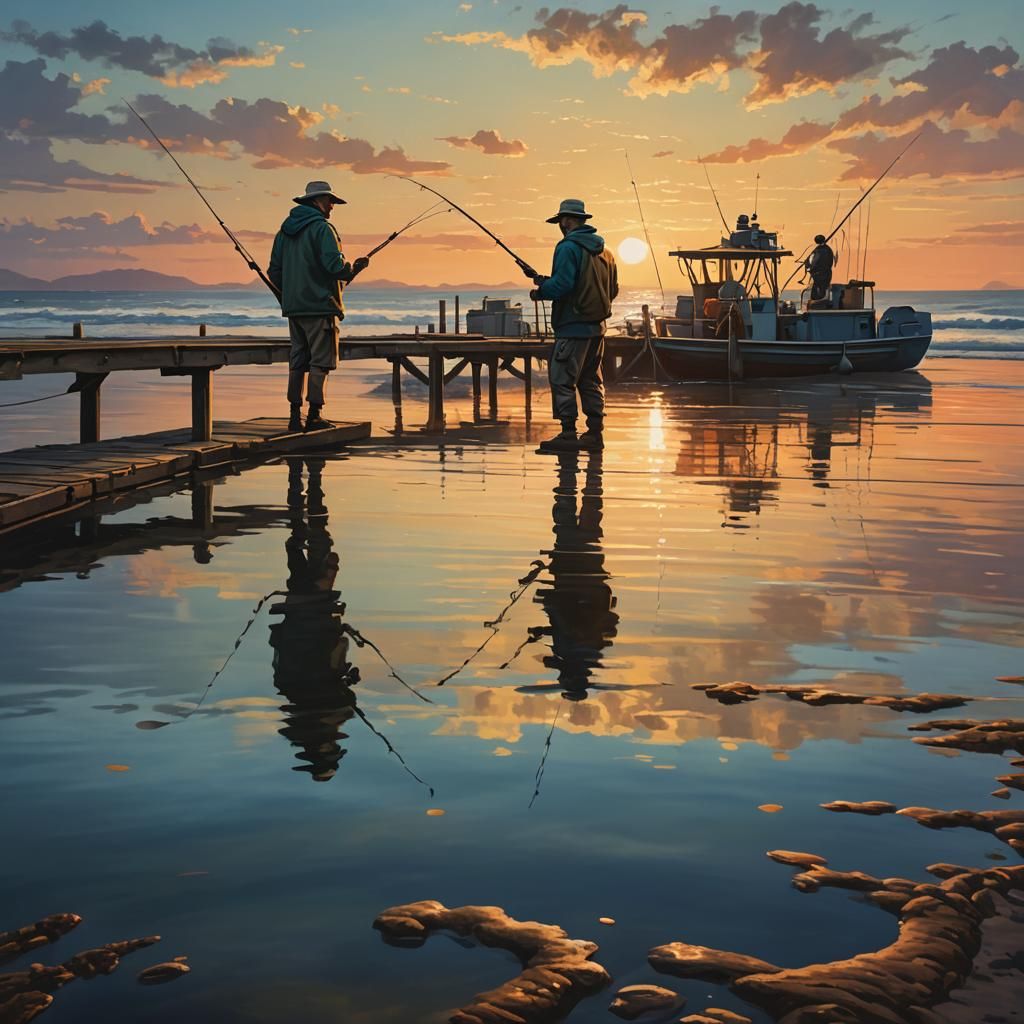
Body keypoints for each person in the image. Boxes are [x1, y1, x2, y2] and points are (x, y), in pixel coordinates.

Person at [268, 181, 370, 432]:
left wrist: (291, 294)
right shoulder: (322, 229)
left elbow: (274, 272)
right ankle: (314, 415)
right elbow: (335, 267)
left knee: (298, 360)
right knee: (321, 361)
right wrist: (354, 268)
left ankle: (294, 416)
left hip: (294, 308)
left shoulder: (283, 233)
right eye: (329, 201)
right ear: (317, 201)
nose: (332, 206)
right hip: (321, 307)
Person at [527, 199, 618, 452]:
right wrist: (547, 281)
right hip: (597, 329)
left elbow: (563, 285)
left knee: (562, 379)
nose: (560, 225)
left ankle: (568, 434)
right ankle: (594, 434)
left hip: (572, 327)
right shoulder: (606, 251)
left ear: (566, 221)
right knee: (590, 380)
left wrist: (540, 291)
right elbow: (612, 290)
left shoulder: (567, 247)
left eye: (560, 221)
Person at [805, 234, 835, 304]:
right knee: (820, 290)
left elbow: (815, 261)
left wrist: (809, 268)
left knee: (818, 292)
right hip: (825, 274)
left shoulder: (820, 250)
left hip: (820, 274)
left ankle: (818, 303)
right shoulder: (827, 249)